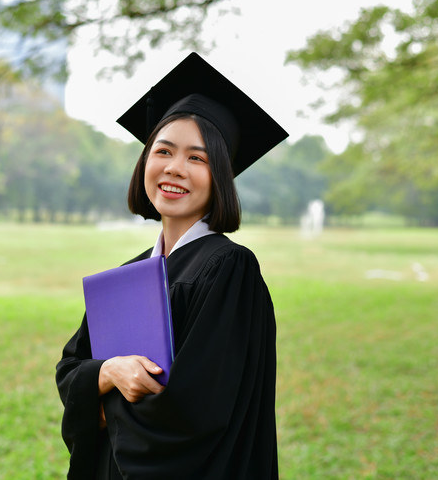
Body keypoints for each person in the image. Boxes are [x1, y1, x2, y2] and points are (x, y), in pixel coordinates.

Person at [55, 52, 288, 479]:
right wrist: (109, 371)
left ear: (219, 175)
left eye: (197, 158)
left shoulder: (230, 268)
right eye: (163, 151)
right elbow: (71, 368)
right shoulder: (129, 275)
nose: (174, 168)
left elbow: (199, 411)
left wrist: (101, 407)